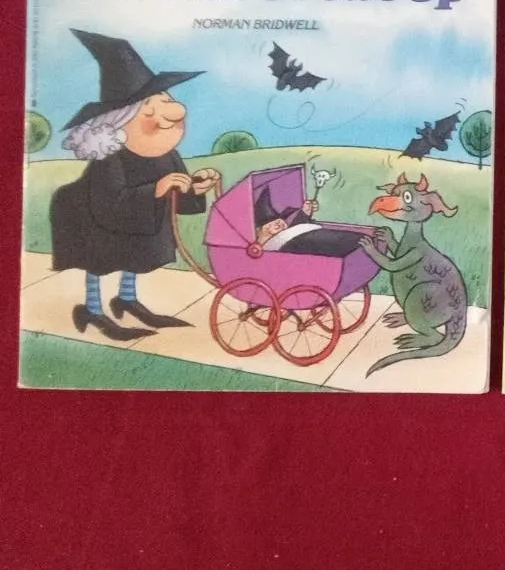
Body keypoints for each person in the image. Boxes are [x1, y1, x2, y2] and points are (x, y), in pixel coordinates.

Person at [50, 30, 219, 341]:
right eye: (150, 107)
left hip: (138, 221)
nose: (170, 111)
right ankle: (92, 309)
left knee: (136, 251)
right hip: (95, 220)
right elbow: (109, 204)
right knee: (101, 258)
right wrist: (155, 189)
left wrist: (194, 188)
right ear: (121, 119)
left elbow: (176, 194)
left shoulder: (165, 152)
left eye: (166, 99)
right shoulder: (110, 158)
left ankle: (126, 298)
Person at [252, 186, 367, 258]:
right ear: (258, 230)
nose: (278, 223)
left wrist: (305, 213)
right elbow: (294, 239)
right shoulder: (272, 248)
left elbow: (294, 232)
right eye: (270, 224)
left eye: (279, 220)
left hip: (342, 242)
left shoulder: (286, 235)